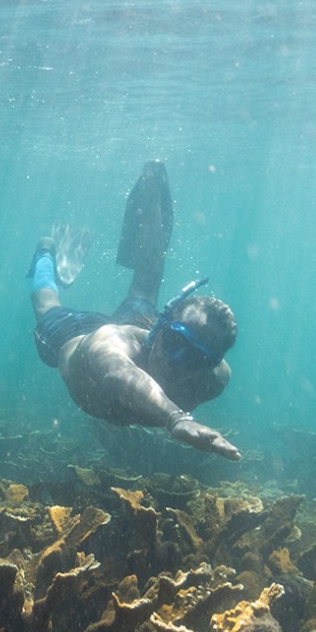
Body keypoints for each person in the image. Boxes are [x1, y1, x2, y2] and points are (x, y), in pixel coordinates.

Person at [29, 160, 240, 460]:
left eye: (193, 358)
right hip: (77, 338)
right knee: (46, 304)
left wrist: (175, 415)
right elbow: (118, 374)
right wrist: (176, 418)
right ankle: (45, 251)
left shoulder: (214, 379)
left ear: (209, 364)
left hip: (138, 327)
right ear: (162, 325)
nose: (174, 362)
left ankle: (151, 184)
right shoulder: (109, 344)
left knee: (145, 284)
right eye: (175, 342)